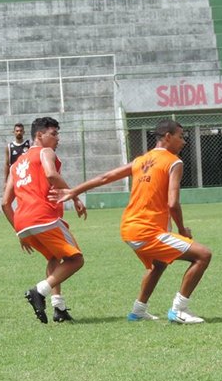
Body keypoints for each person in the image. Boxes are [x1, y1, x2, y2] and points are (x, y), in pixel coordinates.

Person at [52, 119, 212, 324]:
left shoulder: (140, 161)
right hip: (147, 231)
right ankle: (179, 310)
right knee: (203, 255)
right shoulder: (174, 162)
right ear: (168, 137)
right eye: (181, 137)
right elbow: (173, 203)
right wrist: (182, 229)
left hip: (129, 228)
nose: (183, 142)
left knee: (158, 265)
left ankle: (138, 311)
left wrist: (74, 191)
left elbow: (105, 177)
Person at [1, 117, 87, 324]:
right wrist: (74, 195)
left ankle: (59, 307)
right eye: (54, 134)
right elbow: (51, 174)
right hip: (44, 218)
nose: (58, 139)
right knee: (76, 260)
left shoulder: (17, 164)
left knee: (53, 259)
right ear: (39, 135)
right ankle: (39, 291)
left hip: (23, 223)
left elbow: (5, 203)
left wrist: (19, 232)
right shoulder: (45, 152)